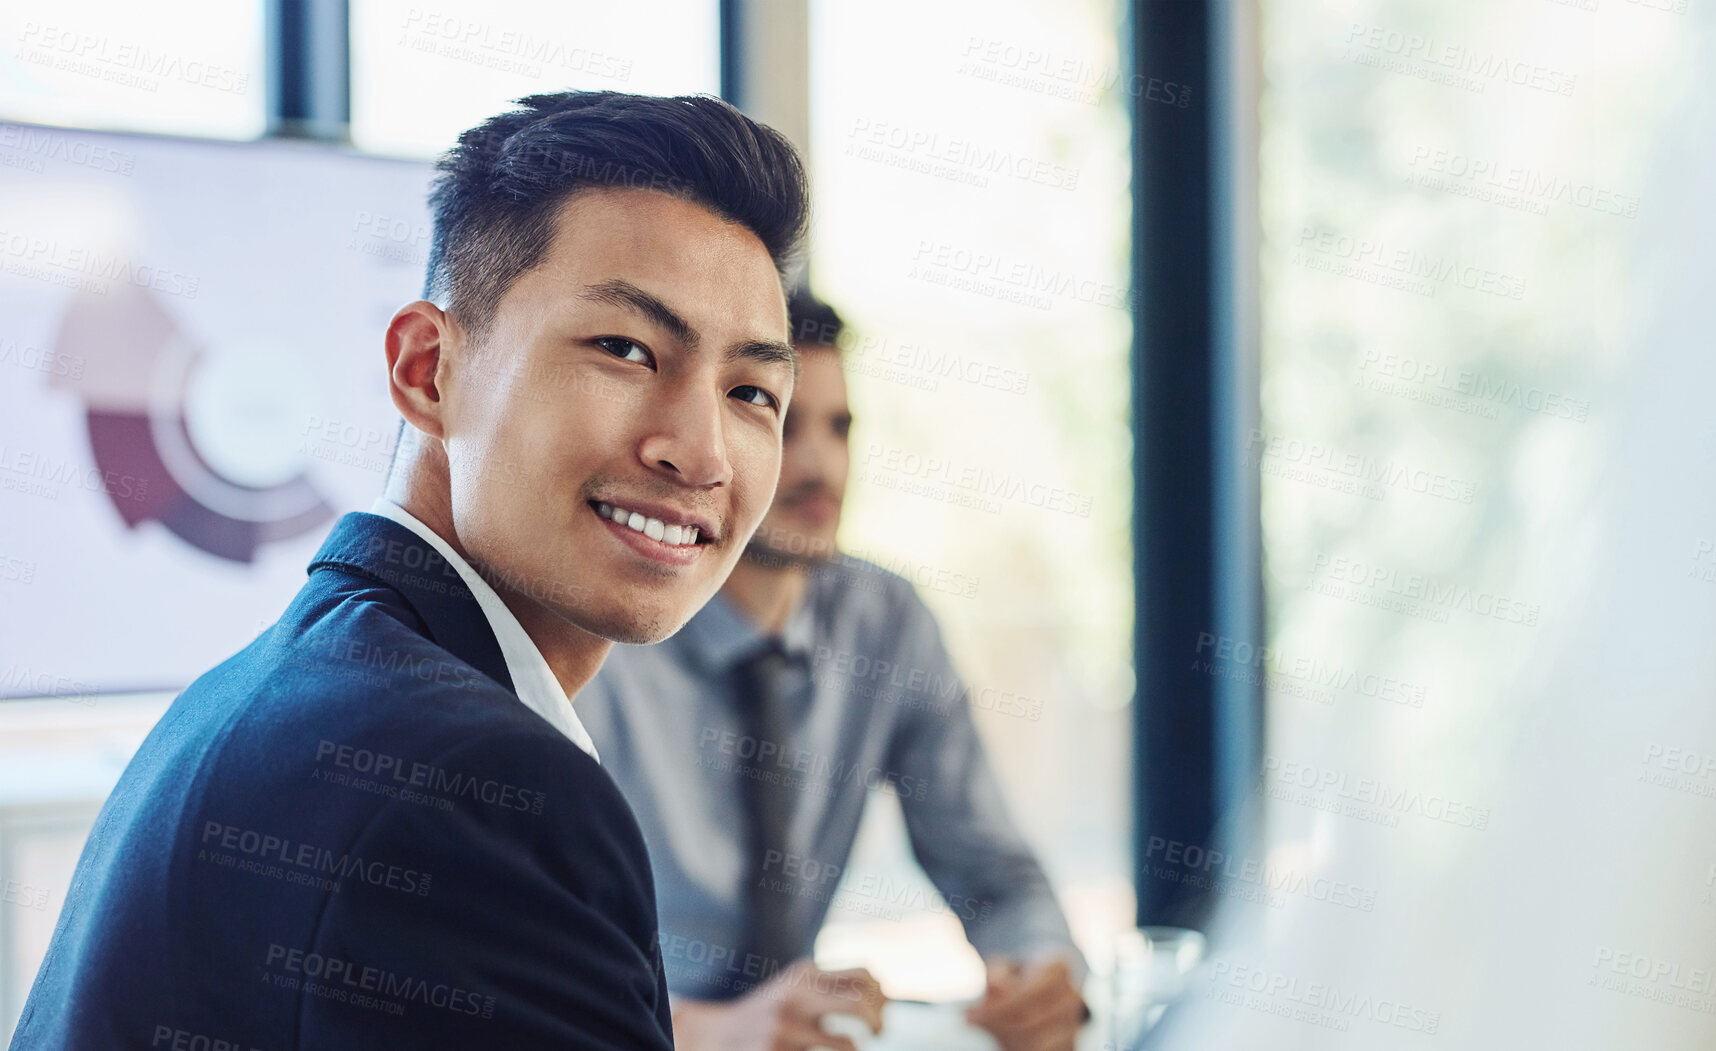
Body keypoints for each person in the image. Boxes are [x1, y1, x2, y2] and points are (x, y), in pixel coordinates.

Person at [10, 91, 807, 1050]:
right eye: (625, 349)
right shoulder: (478, 783)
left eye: (750, 390)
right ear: (428, 369)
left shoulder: (275, 687)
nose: (702, 451)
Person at [575, 290, 1089, 1051]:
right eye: (780, 421)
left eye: (840, 427)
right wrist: (709, 1033)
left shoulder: (885, 623)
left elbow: (993, 873)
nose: (820, 464)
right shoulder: (599, 635)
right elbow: (521, 972)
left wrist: (1043, 969)